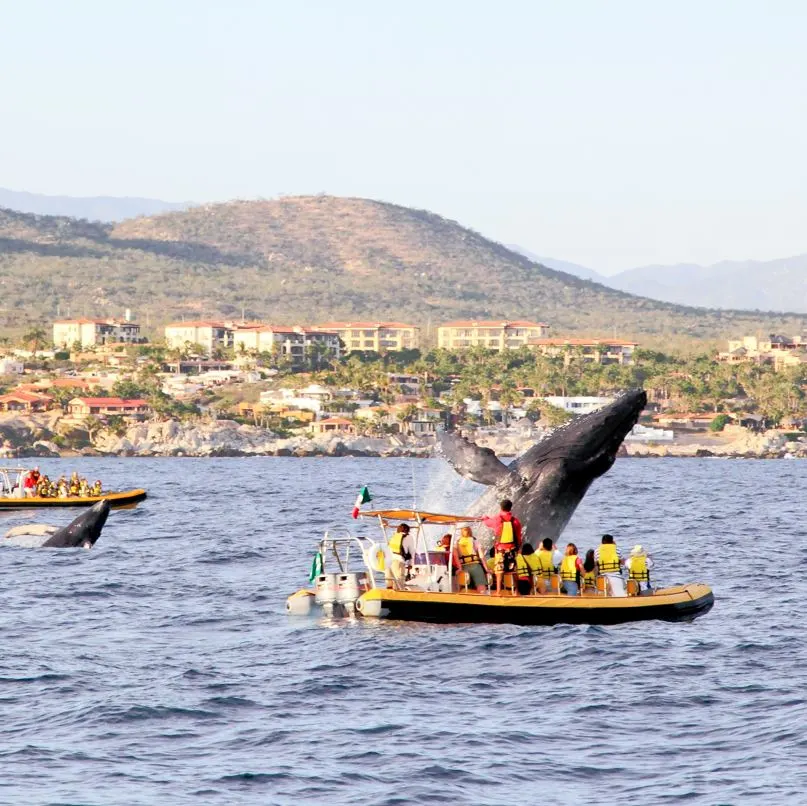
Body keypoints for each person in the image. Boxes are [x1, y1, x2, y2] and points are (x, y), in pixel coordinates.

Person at [483, 499, 522, 596]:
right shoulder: (515, 520)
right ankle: (516, 591)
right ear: (510, 507)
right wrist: (518, 547)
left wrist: (485, 517)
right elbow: (519, 536)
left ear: (501, 507)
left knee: (499, 570)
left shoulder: (497, 519)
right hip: (512, 549)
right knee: (513, 570)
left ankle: (498, 591)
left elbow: (487, 523)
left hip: (501, 550)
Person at [453, 526, 488, 593]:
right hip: (475, 566)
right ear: (470, 531)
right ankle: (482, 599)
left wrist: (459, 568)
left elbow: (455, 556)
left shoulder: (457, 542)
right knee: (481, 586)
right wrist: (486, 569)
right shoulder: (475, 540)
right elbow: (481, 556)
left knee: (462, 585)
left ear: (461, 532)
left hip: (463, 567)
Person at [385, 523, 414, 590]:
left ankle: (388, 597)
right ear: (407, 530)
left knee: (389, 585)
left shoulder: (395, 536)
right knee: (399, 586)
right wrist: (410, 564)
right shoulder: (408, 537)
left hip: (388, 561)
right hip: (398, 562)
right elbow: (412, 552)